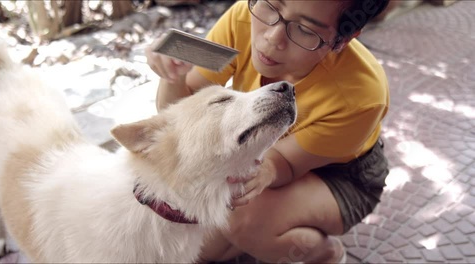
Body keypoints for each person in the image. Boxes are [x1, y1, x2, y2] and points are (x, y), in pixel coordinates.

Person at [145, 0, 390, 262]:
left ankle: (326, 254)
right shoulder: (244, 15)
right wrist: (172, 74)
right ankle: (260, 232)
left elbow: (283, 162)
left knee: (240, 219)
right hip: (268, 145)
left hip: (341, 175)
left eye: (306, 30)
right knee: (201, 251)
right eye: (272, 8)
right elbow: (182, 113)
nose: (273, 38)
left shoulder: (362, 95)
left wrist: (256, 175)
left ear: (343, 39)